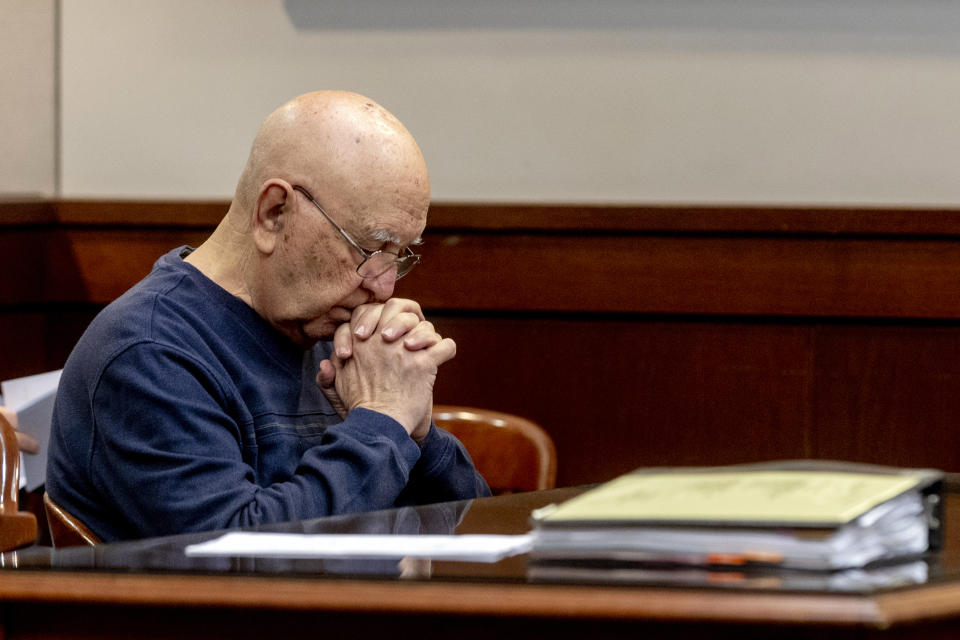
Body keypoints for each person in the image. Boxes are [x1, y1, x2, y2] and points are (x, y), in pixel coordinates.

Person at [46, 90, 490, 542]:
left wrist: (416, 434)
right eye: (369, 250)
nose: (384, 286)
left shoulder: (330, 328)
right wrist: (381, 423)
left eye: (399, 255)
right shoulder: (147, 353)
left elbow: (481, 534)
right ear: (274, 213)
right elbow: (239, 558)